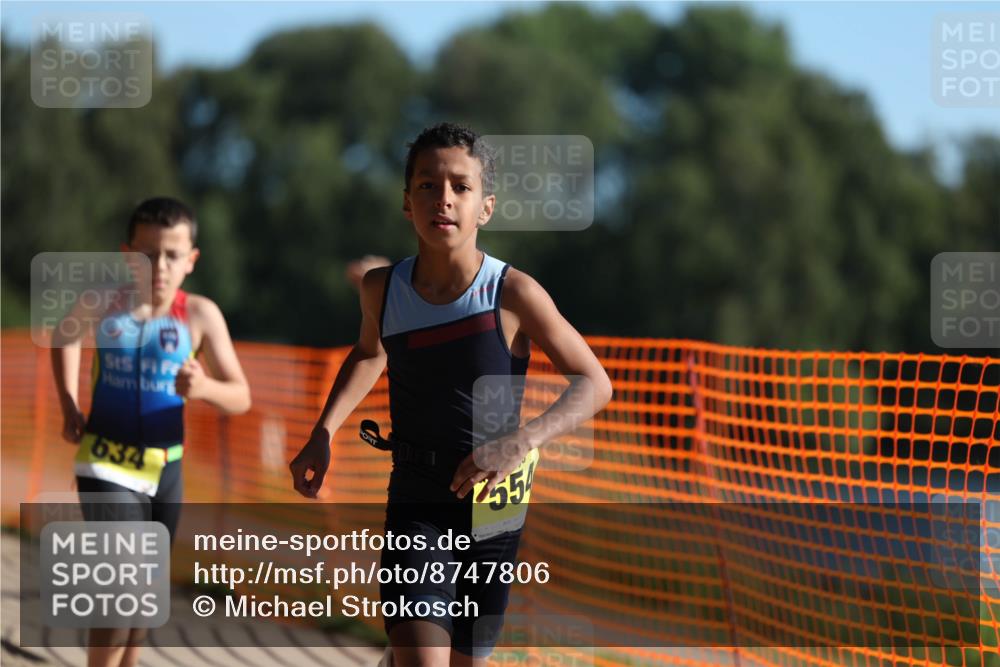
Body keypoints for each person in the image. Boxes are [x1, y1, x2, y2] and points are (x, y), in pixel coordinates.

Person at [289, 123, 612, 667]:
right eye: (427, 185)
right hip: (417, 496)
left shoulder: (513, 292)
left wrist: (521, 440)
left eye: (461, 187)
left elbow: (594, 382)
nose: (443, 199)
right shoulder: (382, 289)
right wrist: (323, 432)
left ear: (485, 208)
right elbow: (369, 354)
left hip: (495, 503)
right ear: (406, 202)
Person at [51, 196, 252, 667]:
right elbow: (64, 335)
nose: (158, 267)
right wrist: (68, 402)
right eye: (146, 254)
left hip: (166, 468)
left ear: (191, 259)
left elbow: (241, 396)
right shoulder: (102, 302)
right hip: (105, 460)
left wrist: (204, 388)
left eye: (171, 255)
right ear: (127, 255)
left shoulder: (200, 314)